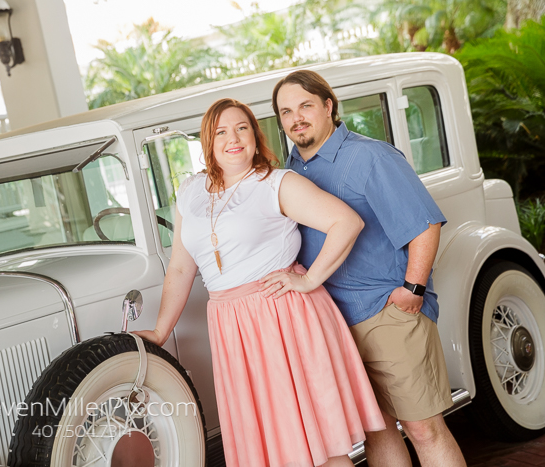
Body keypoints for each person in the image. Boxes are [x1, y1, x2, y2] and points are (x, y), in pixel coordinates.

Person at [135, 98, 385, 467]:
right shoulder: (190, 192)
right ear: (208, 140)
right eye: (221, 131)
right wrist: (159, 331)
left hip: (282, 316)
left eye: (242, 128)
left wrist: (310, 279)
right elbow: (180, 269)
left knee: (318, 444)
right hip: (230, 323)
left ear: (255, 135)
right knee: (273, 448)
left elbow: (347, 222)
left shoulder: (276, 182)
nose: (232, 138)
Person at [271, 70, 467, 467]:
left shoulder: (371, 156)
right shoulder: (288, 170)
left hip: (386, 313)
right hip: (330, 323)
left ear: (328, 106)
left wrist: (412, 290)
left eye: (306, 106)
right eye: (286, 111)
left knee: (423, 428)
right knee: (376, 431)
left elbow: (425, 224)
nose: (296, 118)